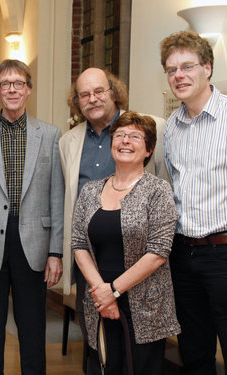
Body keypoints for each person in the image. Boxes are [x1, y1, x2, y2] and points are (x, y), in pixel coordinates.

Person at [0, 59, 64, 375]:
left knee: (33, 332)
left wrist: (55, 252)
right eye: (5, 84)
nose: (12, 89)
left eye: (18, 83)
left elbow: (56, 197)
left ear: (29, 89)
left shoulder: (50, 135)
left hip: (33, 244)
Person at [160, 30, 227, 375]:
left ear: (207, 68)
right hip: (184, 256)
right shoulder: (171, 128)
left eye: (187, 66)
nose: (178, 76)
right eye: (170, 70)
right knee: (194, 354)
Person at [59, 68, 168, 341]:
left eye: (99, 91)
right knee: (98, 343)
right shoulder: (67, 142)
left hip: (139, 259)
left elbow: (165, 183)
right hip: (91, 261)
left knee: (139, 344)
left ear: (114, 92)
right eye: (84, 95)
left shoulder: (150, 128)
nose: (92, 99)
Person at [72, 111, 180, 374]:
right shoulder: (90, 191)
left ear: (149, 149)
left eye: (134, 136)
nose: (125, 141)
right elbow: (78, 244)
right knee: (103, 366)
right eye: (119, 135)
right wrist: (101, 291)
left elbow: (158, 251)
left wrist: (114, 291)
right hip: (98, 301)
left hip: (144, 306)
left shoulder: (158, 190)